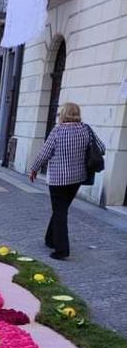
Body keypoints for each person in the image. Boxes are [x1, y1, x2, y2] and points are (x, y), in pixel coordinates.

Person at [29, 102, 105, 260]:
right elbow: (102, 148)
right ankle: (50, 239)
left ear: (63, 114)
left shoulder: (58, 131)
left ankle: (61, 250)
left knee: (60, 211)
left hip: (58, 179)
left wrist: (34, 168)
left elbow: (44, 153)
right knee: (60, 209)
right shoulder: (86, 130)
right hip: (77, 178)